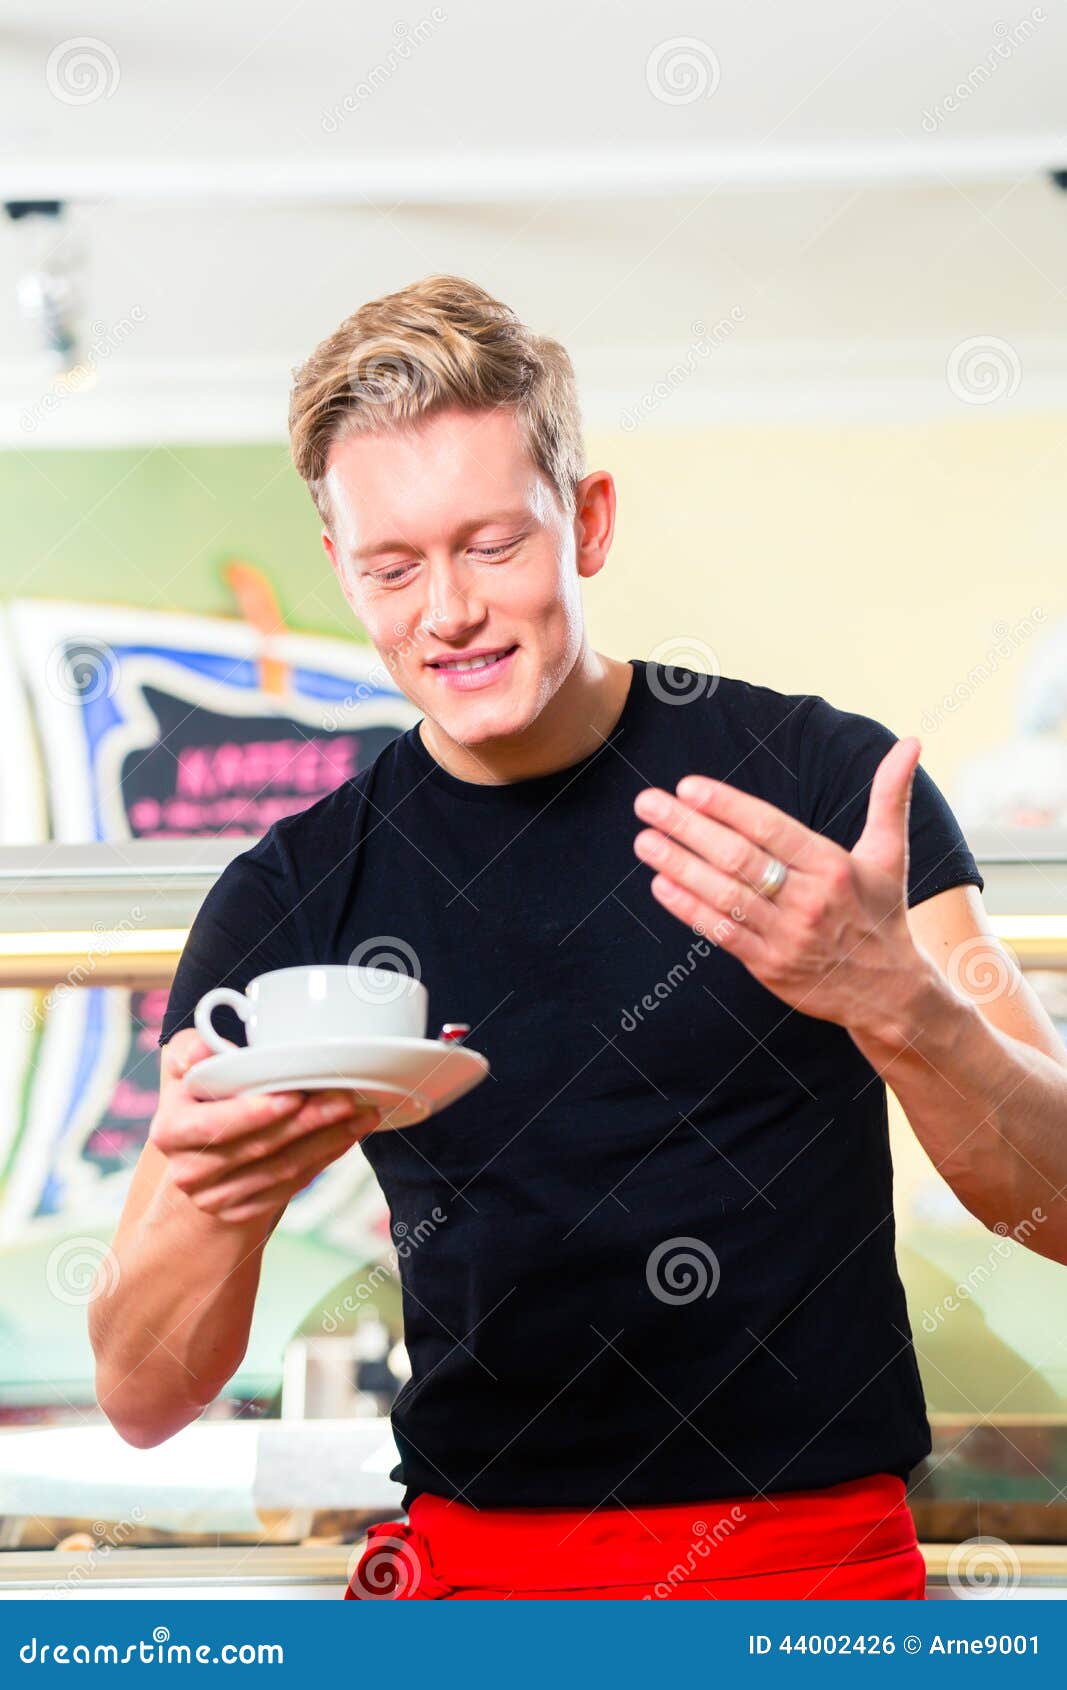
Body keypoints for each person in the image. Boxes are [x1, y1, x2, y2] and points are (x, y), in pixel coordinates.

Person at [91, 275, 1067, 1601]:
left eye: (491, 544)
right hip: (479, 1578)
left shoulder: (828, 788)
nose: (448, 611)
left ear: (587, 520)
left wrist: (899, 1002)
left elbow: (1055, 1207)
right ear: (340, 567)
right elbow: (141, 1392)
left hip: (808, 1566)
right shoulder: (294, 894)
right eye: (392, 565)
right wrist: (231, 1195)